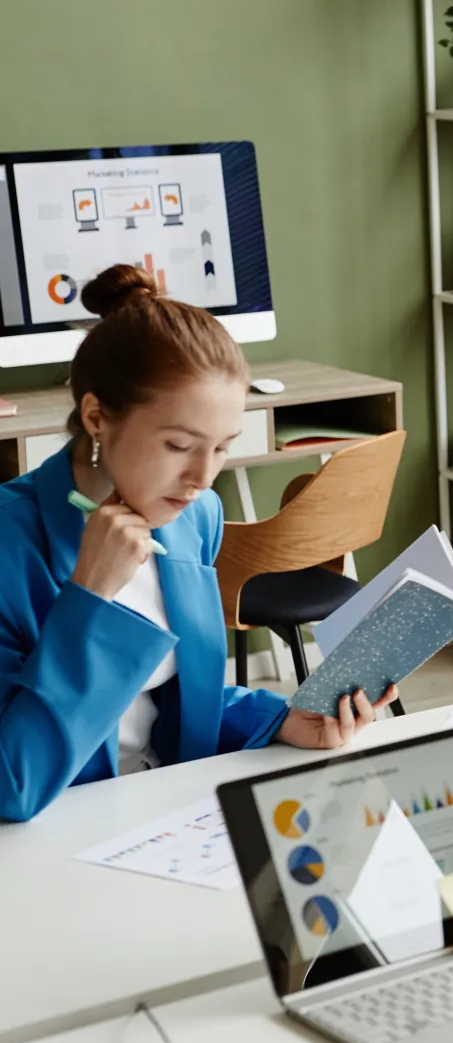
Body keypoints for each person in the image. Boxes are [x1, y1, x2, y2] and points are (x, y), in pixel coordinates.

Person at [0, 265, 397, 822]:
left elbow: (170, 701)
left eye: (222, 448)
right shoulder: (9, 544)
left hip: (165, 815)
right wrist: (88, 594)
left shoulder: (194, 517)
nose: (202, 478)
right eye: (180, 445)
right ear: (96, 417)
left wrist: (277, 719)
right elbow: (10, 782)